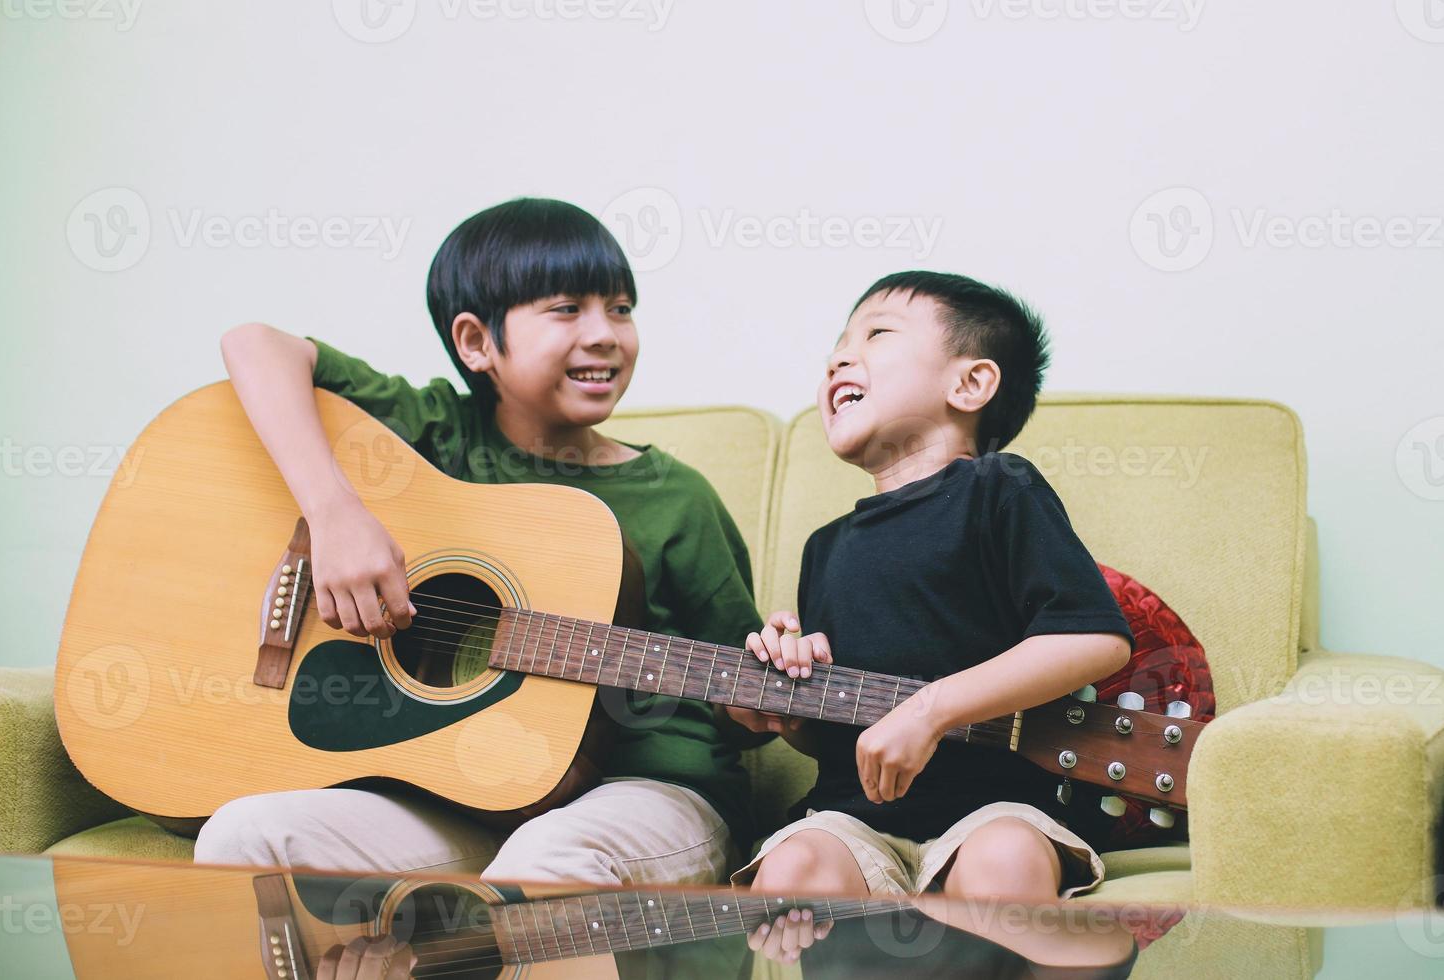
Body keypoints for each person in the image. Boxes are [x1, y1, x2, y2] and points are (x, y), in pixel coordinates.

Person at [194, 198, 764, 888]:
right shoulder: (438, 434)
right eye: (566, 308)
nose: (605, 333)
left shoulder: (678, 499)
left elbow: (746, 701)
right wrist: (334, 514)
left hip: (645, 789)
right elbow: (255, 343)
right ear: (475, 343)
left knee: (545, 861)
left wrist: (763, 704)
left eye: (619, 308)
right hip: (463, 795)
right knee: (244, 835)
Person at [726, 271, 1134, 965]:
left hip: (995, 808)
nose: (838, 358)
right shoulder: (825, 547)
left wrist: (929, 710)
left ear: (969, 385)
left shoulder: (1000, 488)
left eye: (875, 334)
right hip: (853, 819)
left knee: (1003, 861)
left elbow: (1093, 638)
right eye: (835, 345)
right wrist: (789, 711)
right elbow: (844, 737)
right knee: (791, 870)